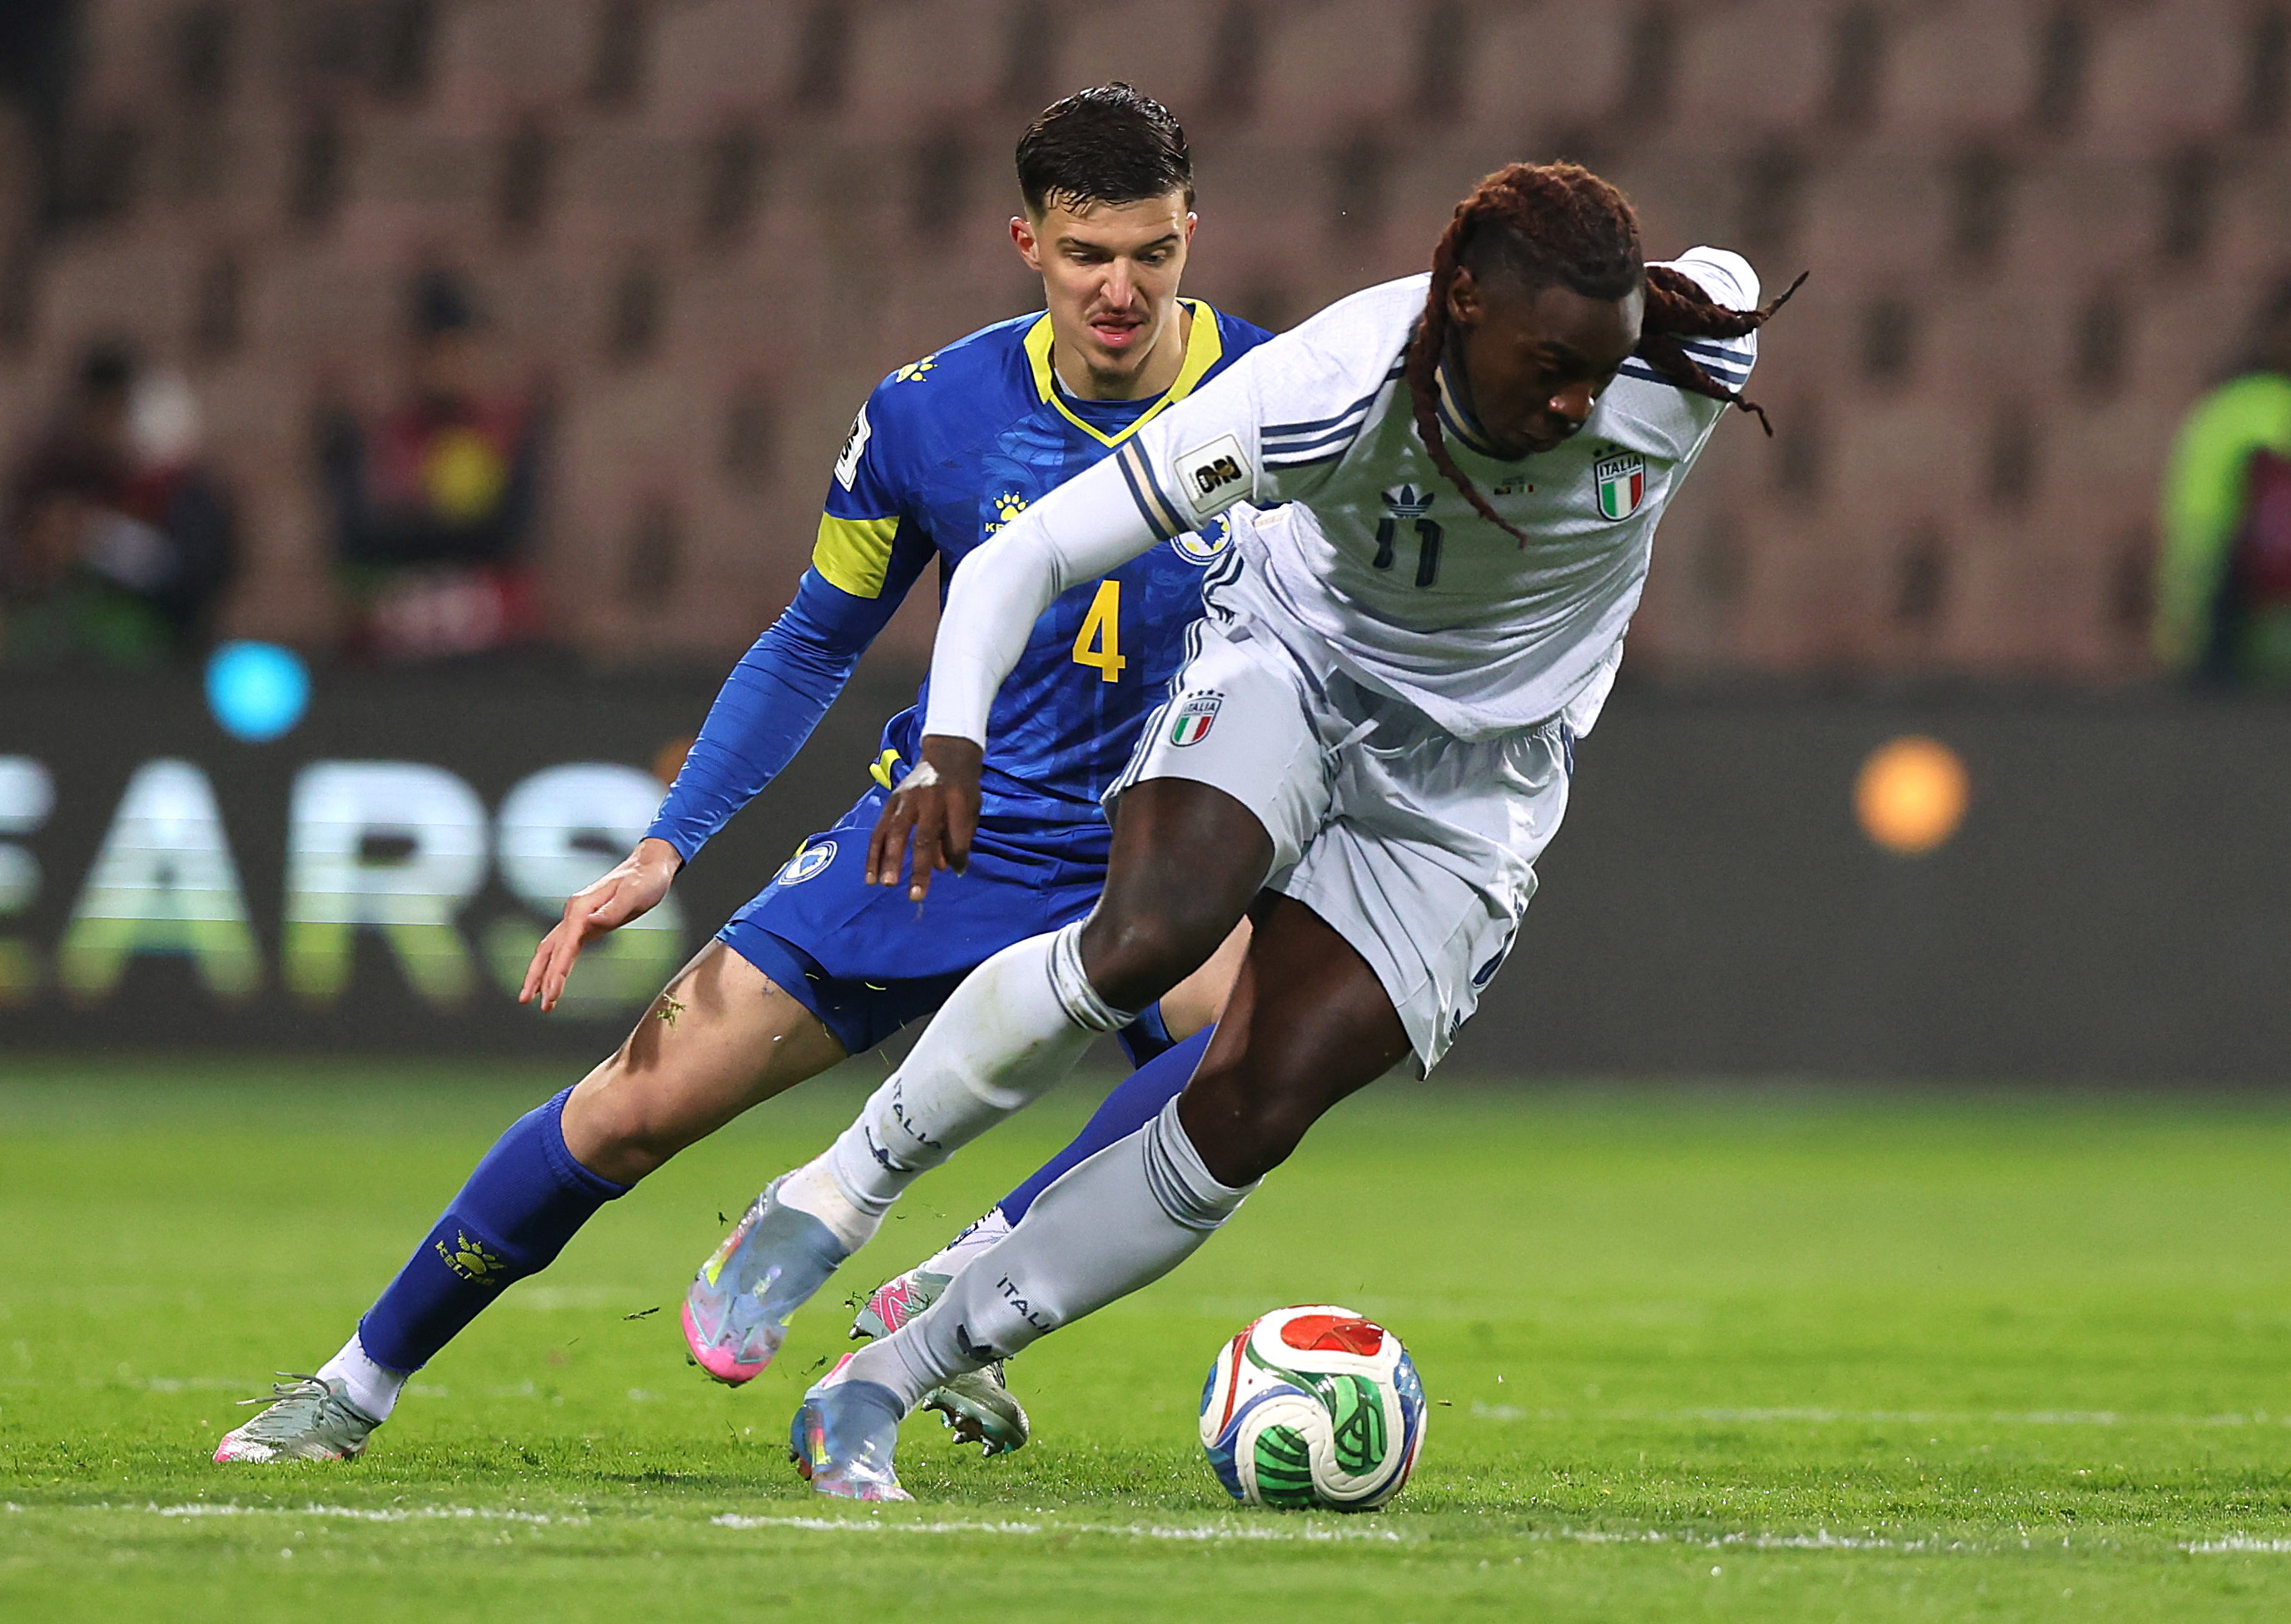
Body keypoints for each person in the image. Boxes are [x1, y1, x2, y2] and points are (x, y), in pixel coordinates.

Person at [213, 84, 1270, 1466]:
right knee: (630, 1104)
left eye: (1150, 251)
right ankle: (351, 1383)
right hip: (947, 837)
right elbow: (811, 637)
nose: (1120, 287)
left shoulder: (1282, 402)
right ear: (1025, 243)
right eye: (1087, 255)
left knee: (1256, 1041)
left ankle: (957, 1288)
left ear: (1192, 233)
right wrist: (667, 843)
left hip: (1155, 850)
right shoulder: (927, 416)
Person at [751, 161, 1792, 1501]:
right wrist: (949, 734)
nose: (1573, 404)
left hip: (1476, 786)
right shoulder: (1332, 383)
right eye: (1546, 366)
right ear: (1456, 304)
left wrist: (1642, 321)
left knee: (1247, 1106)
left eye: (1595, 371)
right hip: (1295, 667)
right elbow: (1026, 554)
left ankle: (887, 1374)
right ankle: (838, 1190)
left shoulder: (1676, 367)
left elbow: (1729, 286)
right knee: (1145, 938)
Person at [318, 268, 547, 661]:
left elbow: (509, 533)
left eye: (465, 348)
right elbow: (359, 538)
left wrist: (416, 528)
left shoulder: (506, 435)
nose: (455, 363)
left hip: (491, 651)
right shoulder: (390, 439)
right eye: (442, 348)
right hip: (400, 641)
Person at [2153, 274, 2291, 683]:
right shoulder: (2284, 406)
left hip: (2190, 609)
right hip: (2238, 607)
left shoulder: (2228, 397)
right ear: (2287, 329)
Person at [2, 342, 236, 667]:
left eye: (114, 410)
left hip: (148, 667)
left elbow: (190, 584)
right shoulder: (53, 477)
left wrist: (94, 538)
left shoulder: (185, 496)